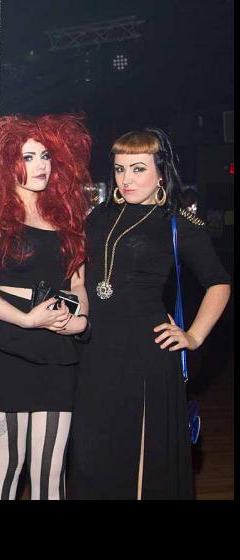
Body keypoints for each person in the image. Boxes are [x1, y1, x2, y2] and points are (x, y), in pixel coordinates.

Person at [67, 128, 231, 500]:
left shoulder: (176, 222)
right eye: (120, 169)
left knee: (139, 452)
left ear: (161, 172)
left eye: (138, 168)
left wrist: (193, 336)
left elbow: (219, 283)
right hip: (93, 350)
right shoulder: (98, 216)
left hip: (145, 353)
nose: (126, 179)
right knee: (92, 454)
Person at [0, 115, 92, 500]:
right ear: (7, 163)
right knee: (7, 464)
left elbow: (78, 283)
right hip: (6, 349)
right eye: (28, 157)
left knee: (50, 470)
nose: (40, 166)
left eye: (45, 156)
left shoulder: (67, 217)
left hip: (57, 352)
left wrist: (81, 321)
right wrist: (26, 319)